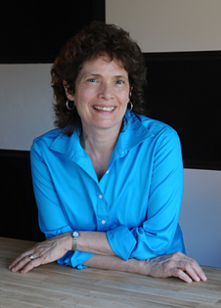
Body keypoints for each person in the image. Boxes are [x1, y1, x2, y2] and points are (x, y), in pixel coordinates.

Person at [9, 21, 206, 283]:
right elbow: (55, 242)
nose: (107, 94)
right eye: (93, 80)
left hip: (164, 280)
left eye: (118, 81)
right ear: (69, 88)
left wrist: (73, 240)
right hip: (85, 281)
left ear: (130, 90)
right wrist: (143, 266)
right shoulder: (45, 152)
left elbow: (156, 241)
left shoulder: (161, 142)